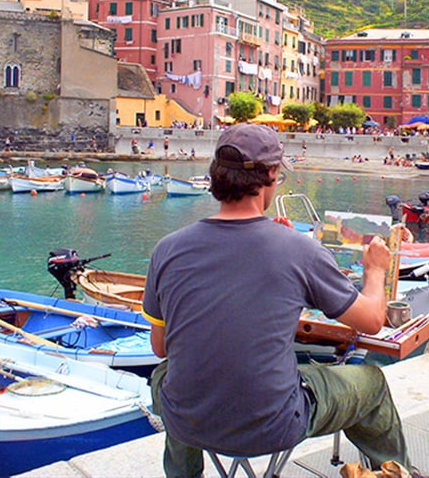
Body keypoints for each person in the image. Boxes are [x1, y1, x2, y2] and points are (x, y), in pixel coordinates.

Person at [142, 123, 413, 477]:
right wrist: (375, 271)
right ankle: (396, 473)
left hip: (189, 421)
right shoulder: (299, 249)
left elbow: (160, 347)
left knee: (172, 377)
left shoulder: (167, 249)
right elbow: (372, 320)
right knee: (372, 383)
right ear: (270, 175)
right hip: (274, 424)